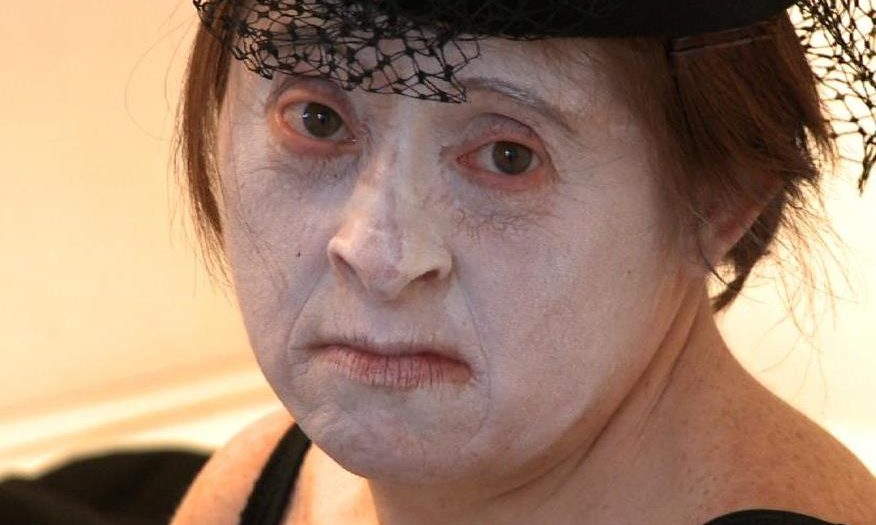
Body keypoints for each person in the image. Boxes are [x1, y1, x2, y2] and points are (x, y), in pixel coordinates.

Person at [170, 0, 876, 523]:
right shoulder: (261, 485)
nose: (377, 255)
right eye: (317, 119)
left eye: (508, 157)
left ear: (721, 204)